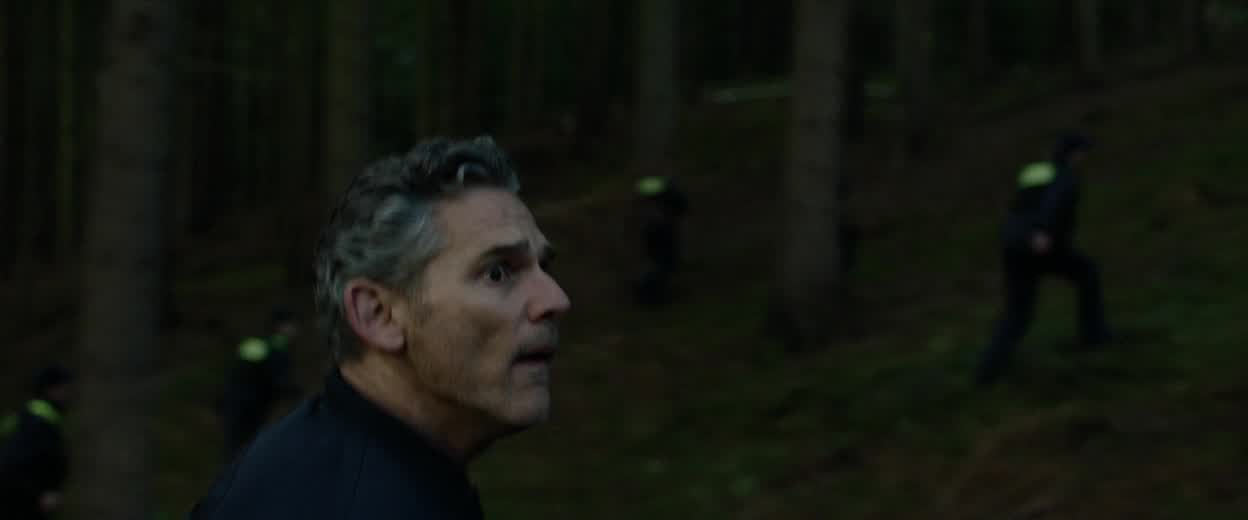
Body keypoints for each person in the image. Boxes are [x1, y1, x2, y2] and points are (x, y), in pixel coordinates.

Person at [190, 136, 571, 519]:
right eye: (497, 272)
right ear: (378, 314)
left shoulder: (330, 462)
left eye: (544, 267)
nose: (556, 299)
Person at [975, 133, 1111, 385]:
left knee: (1018, 312)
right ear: (1074, 154)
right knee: (1087, 273)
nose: (1084, 158)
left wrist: (1020, 235)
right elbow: (1053, 205)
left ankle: (987, 371)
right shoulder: (1065, 177)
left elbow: (1019, 207)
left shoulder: (1034, 172)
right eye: (1082, 153)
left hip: (1013, 245)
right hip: (1040, 246)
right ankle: (1094, 336)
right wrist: (1042, 232)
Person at [217, 306, 301, 461]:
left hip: (237, 402)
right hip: (249, 405)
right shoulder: (277, 349)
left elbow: (235, 372)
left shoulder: (255, 344)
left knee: (236, 447)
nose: (295, 329)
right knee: (244, 447)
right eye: (291, 324)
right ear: (281, 326)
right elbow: (279, 380)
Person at [0, 364, 76, 520]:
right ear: (51, 389)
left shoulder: (31, 417)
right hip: (22, 508)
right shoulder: (38, 422)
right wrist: (37, 495)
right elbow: (11, 466)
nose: (69, 394)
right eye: (64, 388)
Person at [634, 175, 688, 306]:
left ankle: (652, 295)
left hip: (660, 231)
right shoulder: (664, 196)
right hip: (661, 231)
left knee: (661, 265)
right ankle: (652, 295)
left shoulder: (663, 199)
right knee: (661, 265)